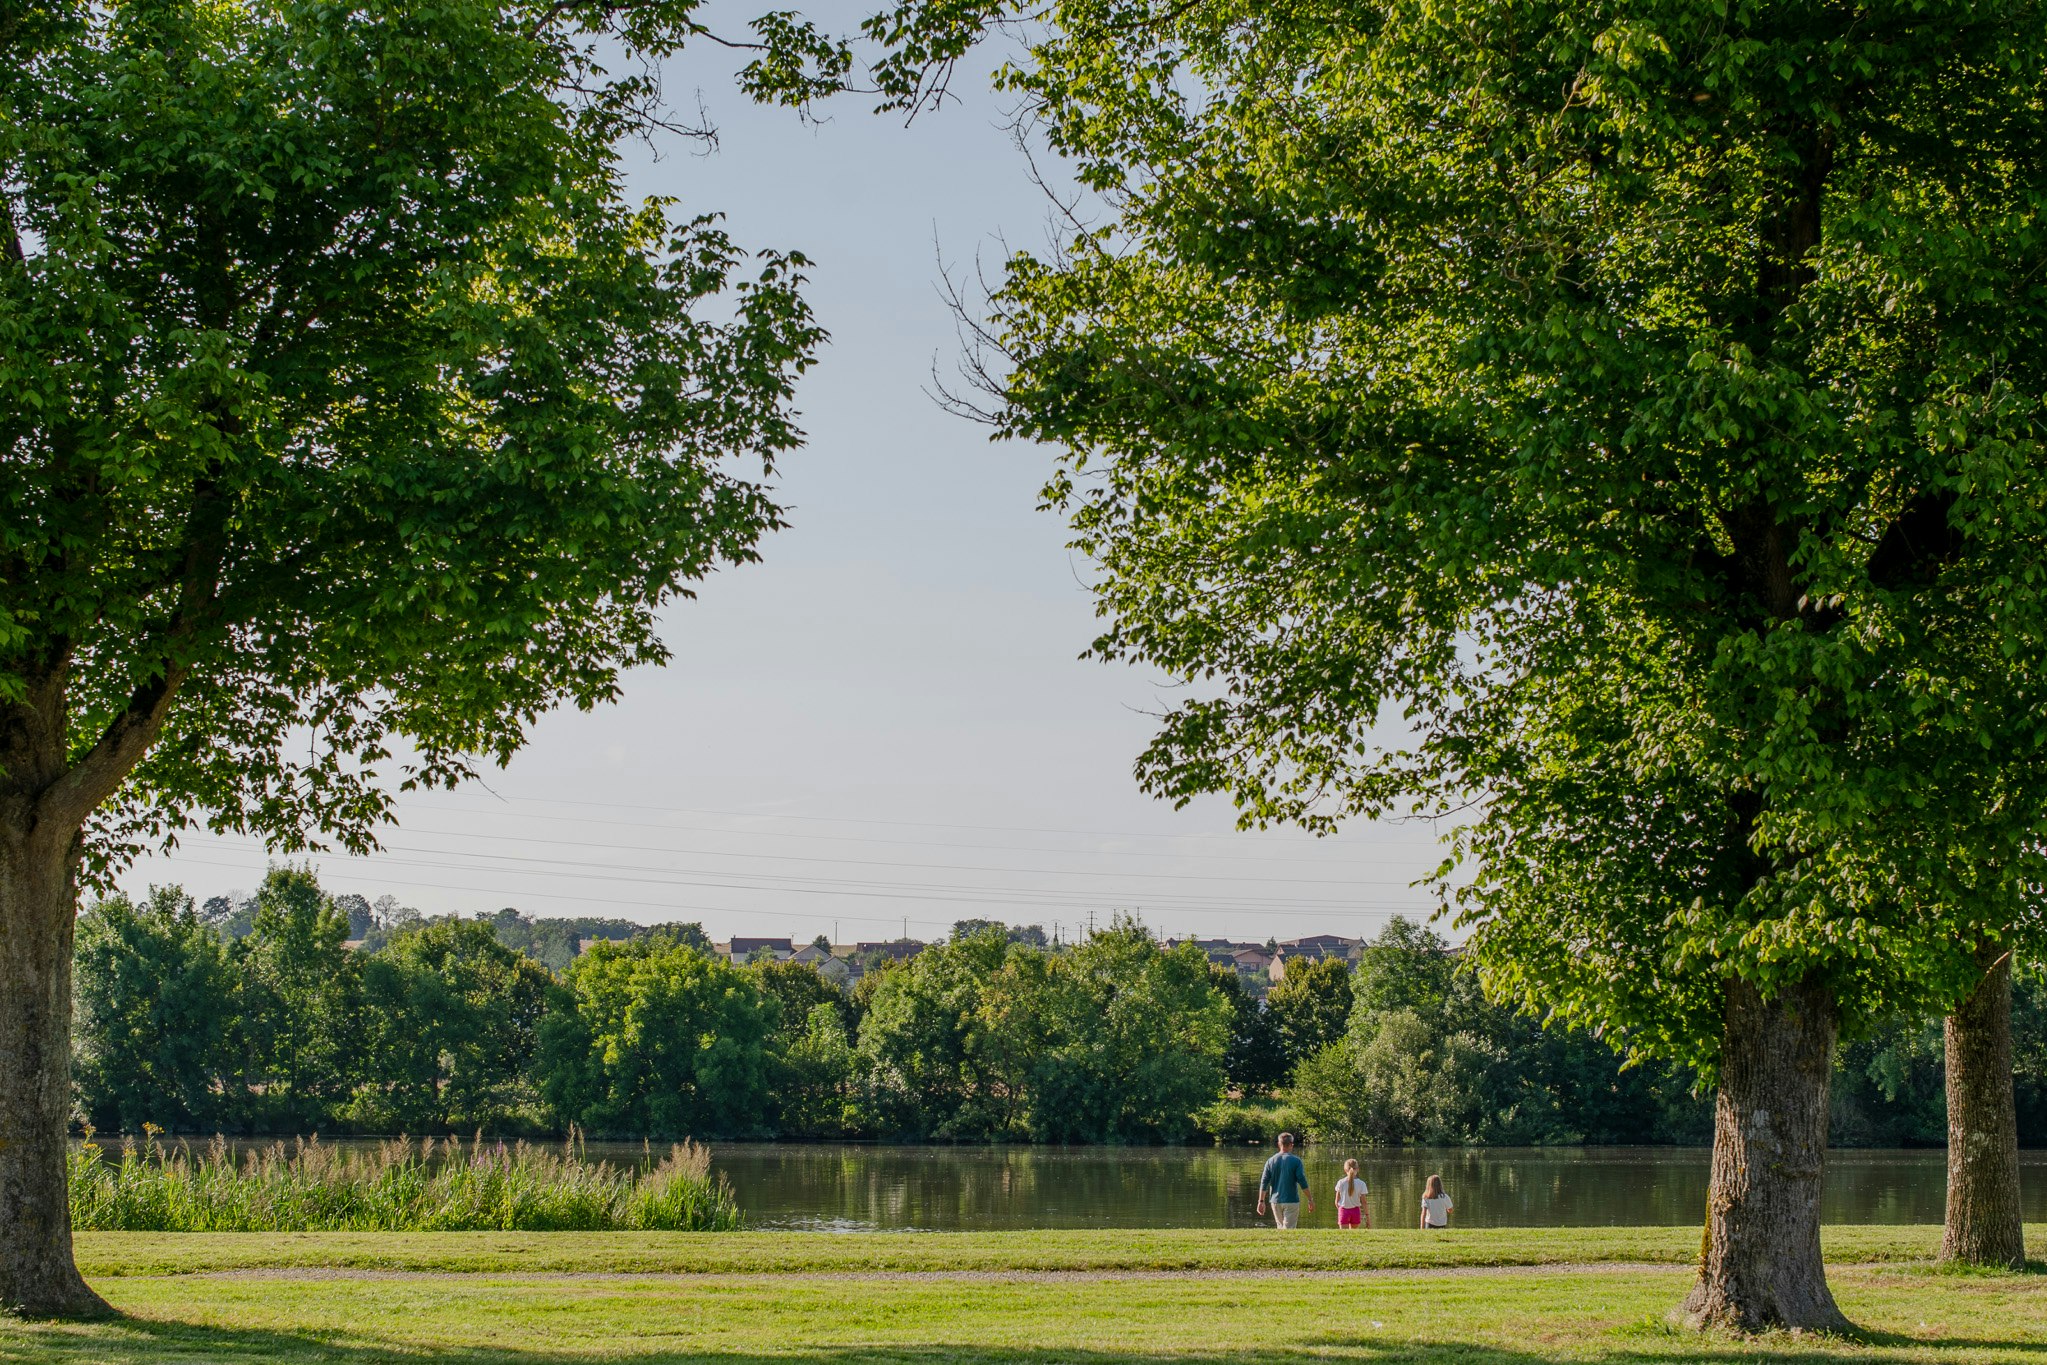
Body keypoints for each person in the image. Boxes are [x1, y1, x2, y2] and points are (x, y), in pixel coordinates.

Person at [1256, 1131, 1313, 1229]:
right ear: (1291, 1145)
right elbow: (1302, 1181)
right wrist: (1310, 1199)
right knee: (1289, 1229)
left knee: (1280, 1227)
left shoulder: (1270, 1161)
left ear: (1279, 1144)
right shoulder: (1296, 1161)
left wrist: (1261, 1201)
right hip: (1291, 1200)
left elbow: (1264, 1182)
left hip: (1275, 1200)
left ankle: (1281, 1243)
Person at [1334, 1158, 1370, 1228]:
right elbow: (1364, 1202)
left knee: (1343, 1235)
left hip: (1343, 1210)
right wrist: (1367, 1217)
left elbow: (1336, 1202)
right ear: (1358, 1169)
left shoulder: (1341, 1182)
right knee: (1354, 1235)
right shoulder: (1361, 1184)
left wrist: (1341, 1211)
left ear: (1345, 1170)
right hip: (1355, 1211)